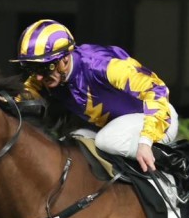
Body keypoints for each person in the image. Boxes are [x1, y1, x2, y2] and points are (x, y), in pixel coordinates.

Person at [11, 19, 179, 174]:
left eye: (44, 69)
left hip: (158, 120)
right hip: (116, 127)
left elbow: (157, 89)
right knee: (71, 143)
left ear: (65, 59)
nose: (38, 77)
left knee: (107, 141)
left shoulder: (102, 66)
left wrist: (145, 141)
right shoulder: (49, 74)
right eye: (33, 69)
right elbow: (24, 93)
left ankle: (173, 167)